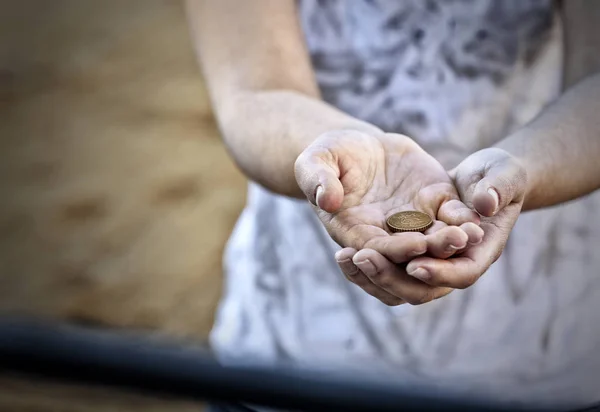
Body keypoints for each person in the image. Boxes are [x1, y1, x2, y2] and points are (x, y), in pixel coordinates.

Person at [185, 0, 600, 410]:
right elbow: (256, 93)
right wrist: (334, 150)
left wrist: (525, 169)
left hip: (547, 359)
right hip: (291, 355)